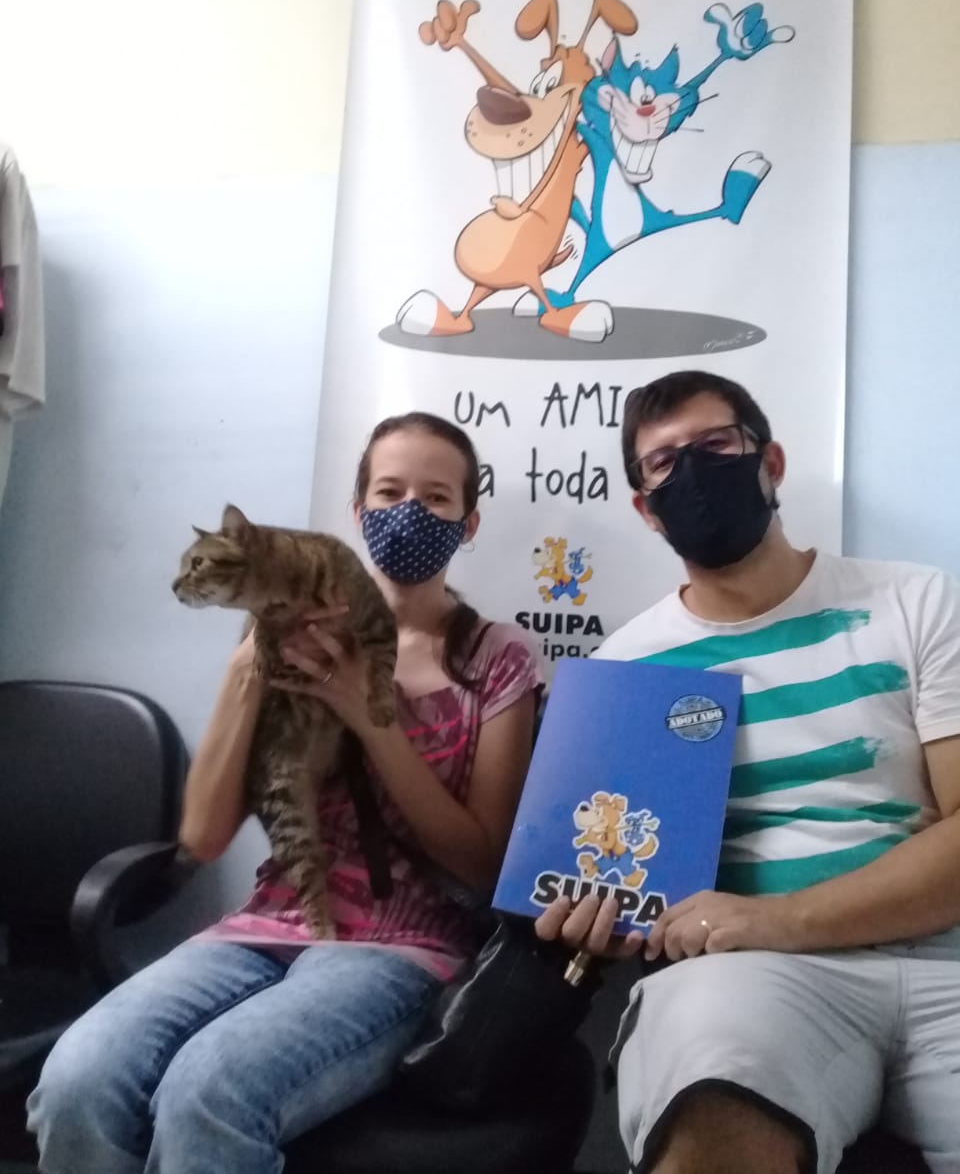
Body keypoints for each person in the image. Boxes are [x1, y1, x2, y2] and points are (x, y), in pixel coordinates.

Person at [28, 411, 541, 1174]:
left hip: (403, 946)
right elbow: (202, 837)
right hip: (266, 925)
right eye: (389, 492)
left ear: (468, 522)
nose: (409, 511)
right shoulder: (280, 634)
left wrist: (362, 710)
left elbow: (483, 866)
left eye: (436, 497)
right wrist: (249, 662)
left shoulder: (496, 657)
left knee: (210, 1090)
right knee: (76, 1079)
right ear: (358, 511)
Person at [536, 370, 960, 1174]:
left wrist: (781, 918)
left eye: (716, 445)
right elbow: (623, 869)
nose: (693, 473)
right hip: (754, 983)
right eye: (664, 462)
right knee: (712, 1113)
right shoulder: (625, 671)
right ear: (644, 507)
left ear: (771, 462)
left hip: (944, 961)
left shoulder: (917, 601)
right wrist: (604, 915)